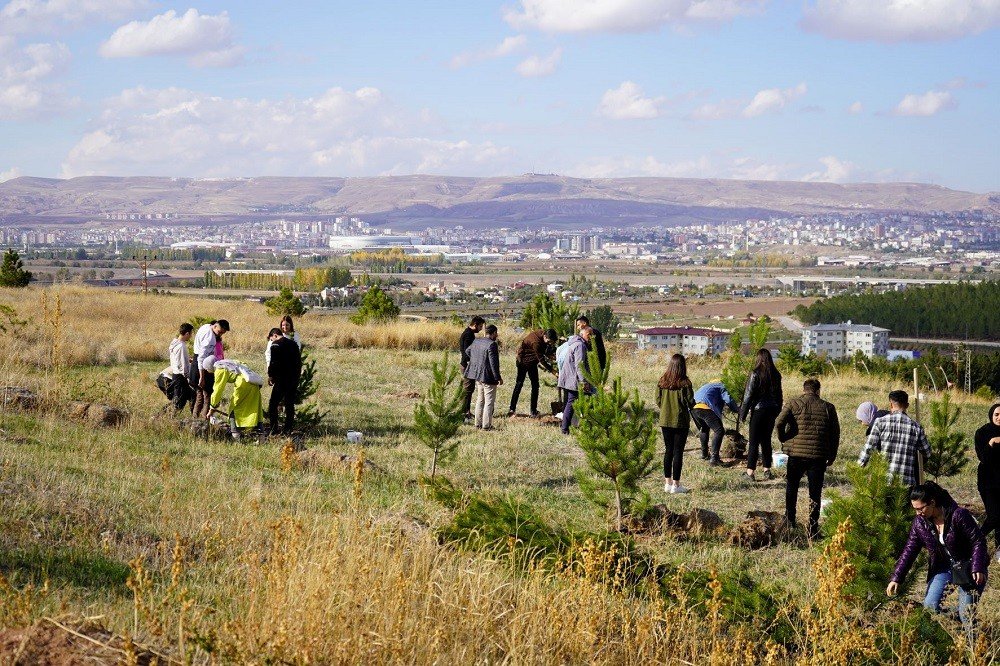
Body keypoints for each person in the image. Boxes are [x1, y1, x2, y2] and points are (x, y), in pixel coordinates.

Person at [887, 482, 988, 645]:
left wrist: (978, 566)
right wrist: (896, 577)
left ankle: (975, 652)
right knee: (930, 607)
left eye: (921, 509)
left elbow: (978, 541)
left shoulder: (958, 515)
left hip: (969, 568)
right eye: (915, 509)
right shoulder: (920, 523)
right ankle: (950, 629)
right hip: (943, 568)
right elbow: (909, 550)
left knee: (967, 615)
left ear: (932, 502)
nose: (918, 513)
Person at [776, 378, 840, 539]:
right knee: (815, 492)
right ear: (818, 390)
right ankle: (812, 527)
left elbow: (778, 422)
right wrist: (832, 455)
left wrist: (784, 438)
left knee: (792, 487)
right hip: (817, 456)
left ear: (804, 389)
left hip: (795, 454)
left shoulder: (793, 403)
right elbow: (835, 434)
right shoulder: (828, 407)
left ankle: (790, 520)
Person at [858, 390, 931, 487]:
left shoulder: (880, 422)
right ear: (907, 405)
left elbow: (869, 448)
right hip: (906, 483)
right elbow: (927, 452)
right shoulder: (916, 427)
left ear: (891, 405)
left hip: (884, 481)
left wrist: (858, 468)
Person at [739, 349, 783, 481]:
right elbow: (780, 396)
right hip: (772, 410)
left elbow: (748, 396)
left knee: (753, 442)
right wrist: (777, 411)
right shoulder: (776, 374)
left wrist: (743, 414)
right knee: (766, 441)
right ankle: (767, 470)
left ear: (759, 359)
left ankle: (750, 472)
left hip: (758, 410)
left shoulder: (755, 373)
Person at [657, 353, 694, 494]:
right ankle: (676, 486)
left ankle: (667, 483)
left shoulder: (662, 380)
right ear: (682, 366)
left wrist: (665, 408)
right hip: (680, 421)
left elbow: (657, 399)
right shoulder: (685, 383)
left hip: (665, 420)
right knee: (678, 452)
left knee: (668, 450)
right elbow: (690, 402)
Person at [206, 357, 265, 439]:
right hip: (254, 383)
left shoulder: (219, 369)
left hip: (243, 385)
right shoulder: (228, 362)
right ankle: (261, 438)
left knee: (234, 409)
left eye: (207, 369)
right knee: (254, 409)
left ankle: (236, 436)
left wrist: (212, 407)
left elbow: (217, 390)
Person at [508, 328, 557, 417]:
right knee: (519, 384)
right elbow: (541, 359)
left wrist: (551, 355)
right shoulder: (536, 342)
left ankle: (533, 411)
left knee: (535, 386)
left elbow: (544, 350)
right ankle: (512, 409)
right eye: (549, 341)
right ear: (545, 336)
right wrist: (553, 371)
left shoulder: (543, 334)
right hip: (523, 362)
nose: (549, 343)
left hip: (532, 362)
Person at [691, 381, 740, 466]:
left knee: (704, 429)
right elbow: (728, 399)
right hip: (704, 407)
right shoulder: (721, 385)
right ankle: (714, 459)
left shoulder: (706, 386)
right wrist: (737, 410)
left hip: (693, 409)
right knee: (719, 431)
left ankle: (705, 455)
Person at [464, 324, 502, 430]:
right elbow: (494, 364)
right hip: (488, 377)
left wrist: (477, 360)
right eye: (496, 333)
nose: (497, 335)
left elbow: (467, 351)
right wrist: (498, 377)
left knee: (480, 400)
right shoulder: (492, 345)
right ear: (493, 333)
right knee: (489, 402)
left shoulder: (477, 341)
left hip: (478, 375)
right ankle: (486, 426)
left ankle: (477, 424)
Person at [190, 319, 230, 418]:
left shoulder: (206, 326)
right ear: (215, 326)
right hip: (203, 367)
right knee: (207, 396)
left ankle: (195, 419)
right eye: (220, 332)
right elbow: (201, 358)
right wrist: (202, 377)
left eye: (222, 333)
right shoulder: (210, 339)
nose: (220, 335)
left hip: (198, 363)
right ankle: (204, 420)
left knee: (200, 395)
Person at [974, 403, 1000, 556]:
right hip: (988, 482)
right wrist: (992, 443)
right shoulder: (983, 433)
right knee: (995, 516)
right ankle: (975, 539)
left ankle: (998, 551)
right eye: (996, 414)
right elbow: (983, 458)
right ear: (991, 415)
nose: (999, 418)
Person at [267, 328, 303, 435]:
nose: (271, 341)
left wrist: (271, 376)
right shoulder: (293, 344)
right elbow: (298, 362)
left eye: (271, 339)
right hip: (293, 378)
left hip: (281, 379)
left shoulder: (275, 345)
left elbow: (274, 363)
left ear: (274, 335)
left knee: (273, 403)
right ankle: (288, 429)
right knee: (289, 404)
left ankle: (274, 429)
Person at [558, 327, 590, 435]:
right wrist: (583, 381)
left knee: (569, 402)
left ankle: (567, 426)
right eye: (589, 334)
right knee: (570, 403)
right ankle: (565, 429)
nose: (591, 337)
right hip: (573, 379)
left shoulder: (574, 343)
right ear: (582, 334)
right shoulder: (580, 345)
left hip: (569, 377)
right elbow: (579, 365)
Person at [156, 323, 194, 413]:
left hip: (176, 375)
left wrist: (188, 359)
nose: (191, 336)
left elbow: (178, 359)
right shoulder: (182, 346)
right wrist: (188, 377)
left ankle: (195, 416)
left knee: (190, 397)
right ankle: (161, 416)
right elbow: (182, 365)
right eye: (191, 334)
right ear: (187, 333)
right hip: (180, 376)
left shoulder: (175, 343)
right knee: (178, 401)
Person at [459, 316, 485, 421]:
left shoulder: (470, 334)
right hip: (467, 365)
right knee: (467, 390)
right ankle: (464, 412)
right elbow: (466, 352)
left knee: (470, 389)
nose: (481, 328)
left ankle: (467, 411)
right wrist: (471, 363)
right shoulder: (468, 335)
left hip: (469, 365)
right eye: (480, 326)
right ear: (475, 324)